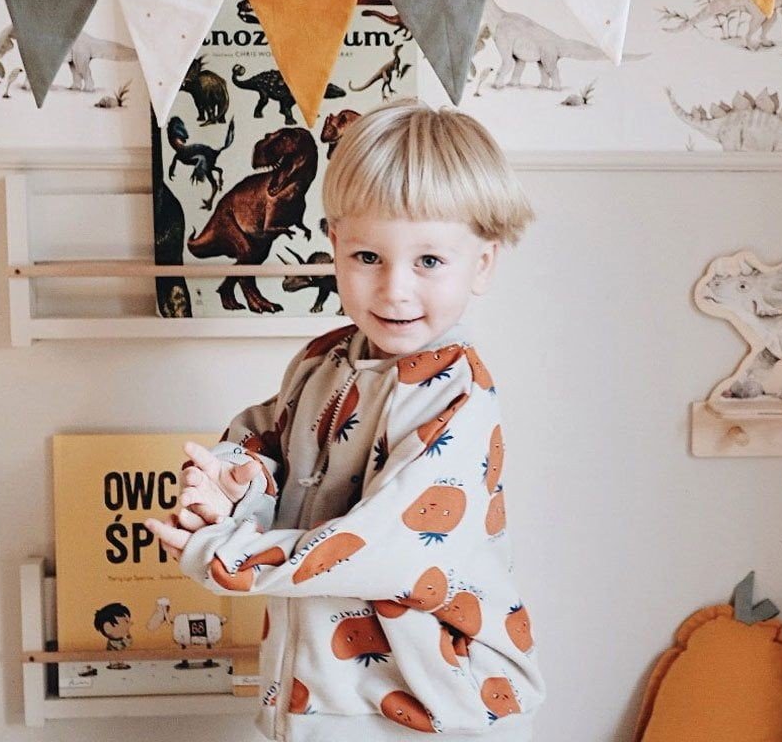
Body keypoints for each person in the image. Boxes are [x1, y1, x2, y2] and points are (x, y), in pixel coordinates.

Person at [145, 98, 545, 740]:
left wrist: (229, 554)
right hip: (316, 697)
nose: (394, 289)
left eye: (429, 261)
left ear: (483, 263)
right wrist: (227, 483)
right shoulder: (322, 360)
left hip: (431, 710)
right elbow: (264, 441)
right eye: (367, 257)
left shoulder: (454, 398)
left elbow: (386, 551)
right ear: (334, 243)